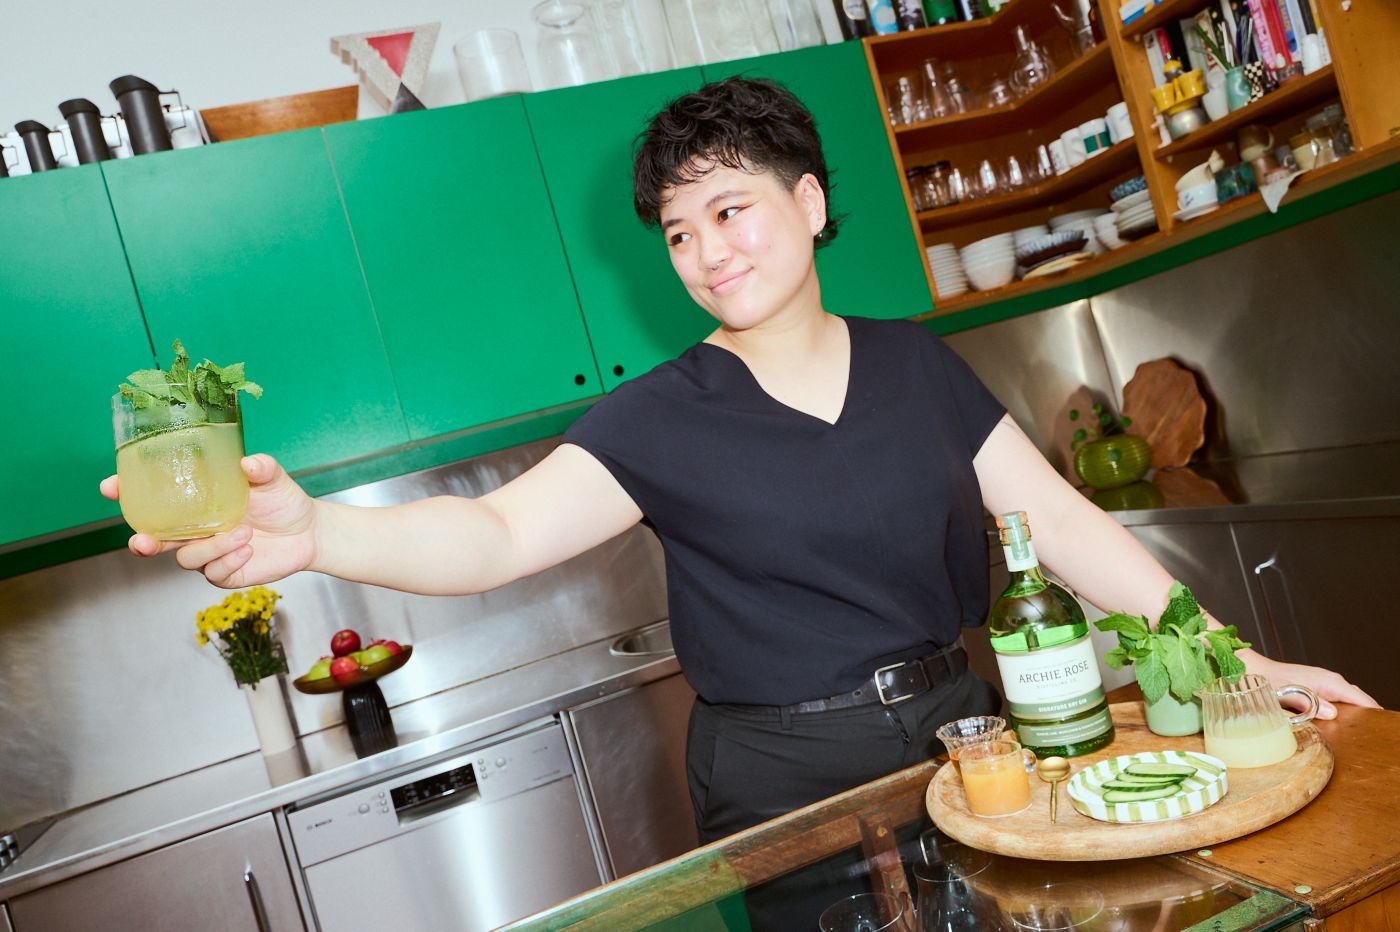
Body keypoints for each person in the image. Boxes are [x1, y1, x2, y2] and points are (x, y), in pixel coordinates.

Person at [101, 77, 1377, 846]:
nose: (706, 252)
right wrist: (316, 532)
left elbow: (1067, 525)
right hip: (783, 774)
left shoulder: (916, 364)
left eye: (730, 210)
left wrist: (1236, 661)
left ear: (809, 204)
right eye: (677, 232)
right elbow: (493, 535)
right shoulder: (658, 416)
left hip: (974, 731)